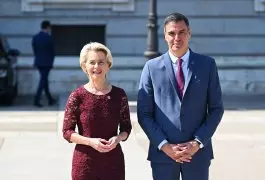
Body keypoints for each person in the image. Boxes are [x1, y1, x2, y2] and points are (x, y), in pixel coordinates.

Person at [137, 12, 224, 180]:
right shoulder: (151, 68)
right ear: (164, 35)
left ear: (189, 33)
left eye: (182, 32)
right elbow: (144, 113)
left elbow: (216, 109)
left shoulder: (207, 65)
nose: (177, 37)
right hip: (163, 154)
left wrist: (197, 142)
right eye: (171, 33)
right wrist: (165, 145)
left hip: (197, 154)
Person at [62, 42, 132, 180]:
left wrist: (117, 139)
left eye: (101, 62)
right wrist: (90, 142)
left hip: (113, 163)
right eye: (92, 62)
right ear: (84, 66)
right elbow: (67, 132)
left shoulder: (120, 95)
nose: (96, 67)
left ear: (108, 65)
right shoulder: (77, 96)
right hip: (85, 163)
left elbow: (126, 128)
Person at [32, 20, 56, 107]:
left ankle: (50, 99)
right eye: (50, 28)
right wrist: (51, 61)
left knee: (44, 80)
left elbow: (34, 50)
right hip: (47, 63)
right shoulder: (49, 37)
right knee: (43, 81)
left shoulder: (35, 37)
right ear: (47, 27)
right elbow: (52, 52)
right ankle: (36, 100)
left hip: (38, 62)